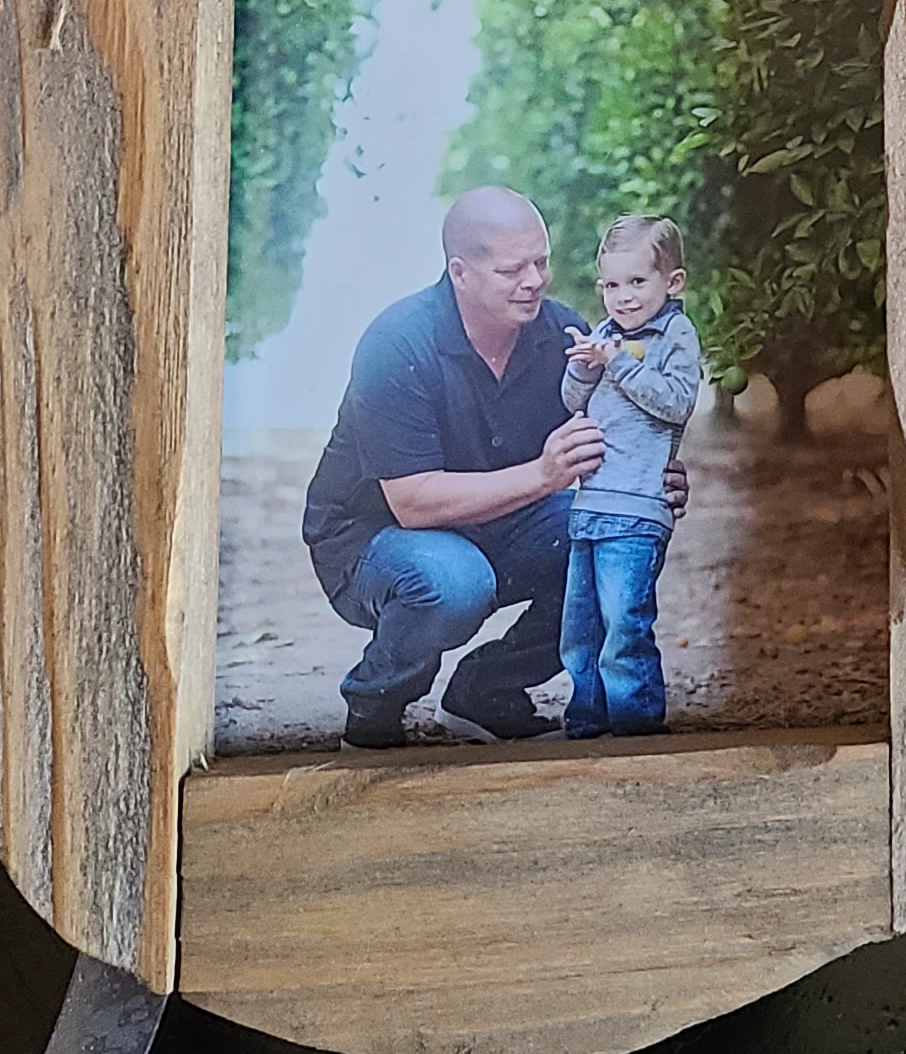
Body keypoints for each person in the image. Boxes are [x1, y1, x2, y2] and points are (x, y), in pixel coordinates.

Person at [302, 189, 607, 748]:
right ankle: (374, 708)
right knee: (453, 583)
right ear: (459, 273)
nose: (534, 281)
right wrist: (543, 475)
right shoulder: (395, 344)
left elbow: (606, 441)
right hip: (374, 540)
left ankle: (485, 693)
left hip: (500, 523)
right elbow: (412, 503)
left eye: (540, 262)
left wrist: (649, 482)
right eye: (512, 270)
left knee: (616, 535)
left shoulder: (563, 336)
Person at [558, 215, 705, 739]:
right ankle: (587, 722)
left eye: (637, 282)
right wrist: (584, 366)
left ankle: (634, 726)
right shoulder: (605, 334)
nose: (622, 297)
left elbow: (677, 402)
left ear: (673, 281)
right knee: (581, 628)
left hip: (639, 505)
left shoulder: (675, 335)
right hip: (591, 504)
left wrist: (618, 363)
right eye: (611, 285)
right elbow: (571, 402)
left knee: (624, 622)